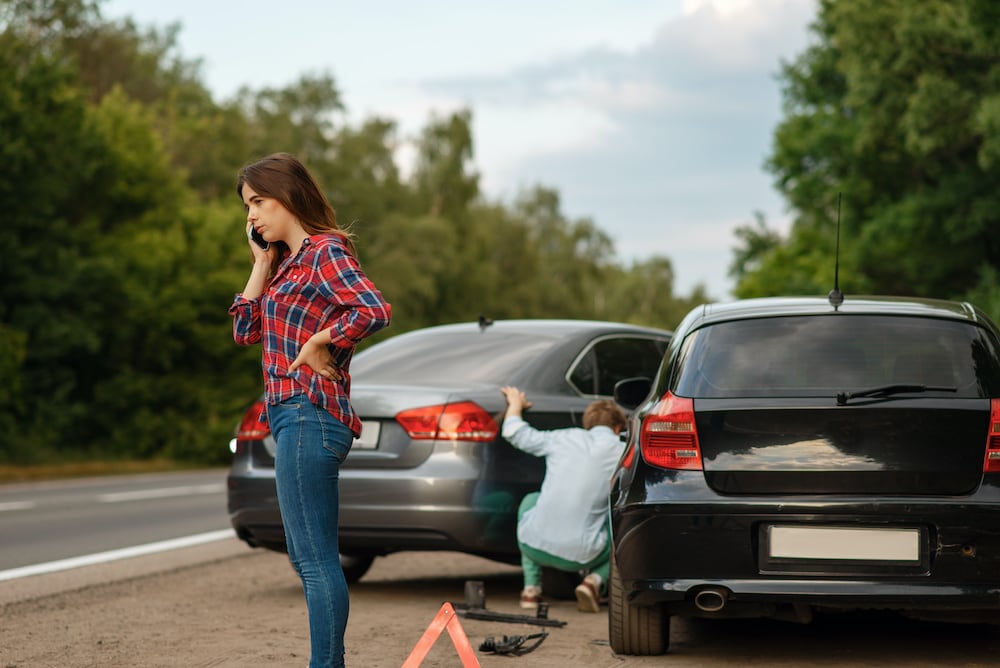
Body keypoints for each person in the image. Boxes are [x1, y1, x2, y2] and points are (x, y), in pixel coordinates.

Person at [229, 152, 391, 668]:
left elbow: (373, 309)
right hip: (291, 416)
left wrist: (323, 339)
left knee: (317, 562)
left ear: (289, 195)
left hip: (309, 411)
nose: (250, 216)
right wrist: (260, 264)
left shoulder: (325, 251)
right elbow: (244, 331)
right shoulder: (286, 266)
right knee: (308, 559)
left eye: (258, 201)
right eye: (246, 206)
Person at [499, 385, 628, 613]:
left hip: (532, 545)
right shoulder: (622, 450)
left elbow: (514, 433)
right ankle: (594, 582)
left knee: (531, 500)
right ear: (618, 428)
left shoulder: (563, 437)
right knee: (624, 524)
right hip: (583, 557)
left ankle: (530, 590)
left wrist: (515, 404)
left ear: (586, 424)